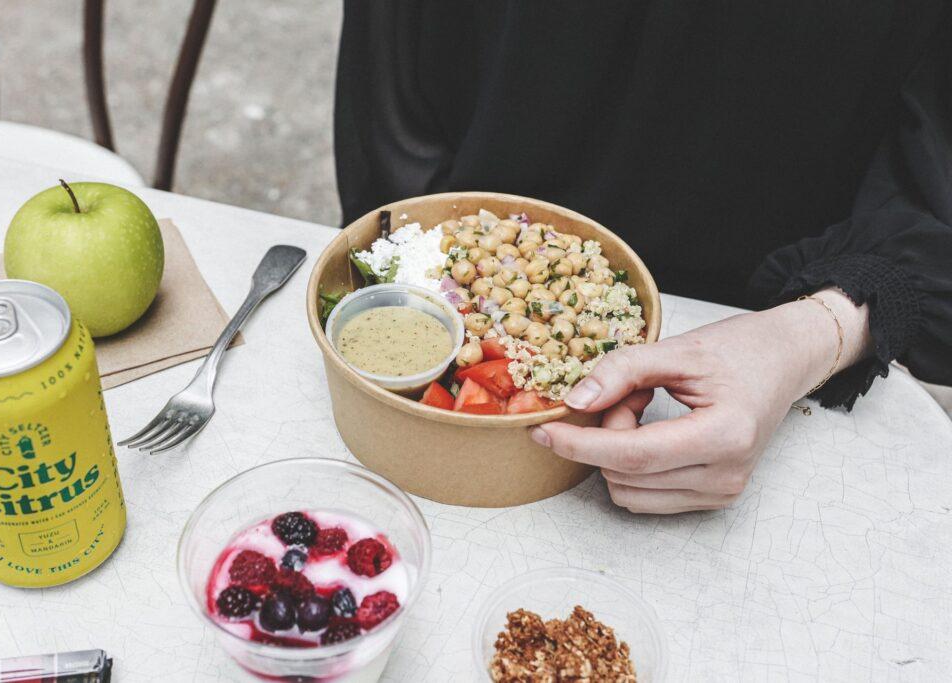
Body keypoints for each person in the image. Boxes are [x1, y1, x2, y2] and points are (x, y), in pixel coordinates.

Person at [333, 1, 952, 513]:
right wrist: (406, 258)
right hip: (472, 302)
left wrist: (818, 330)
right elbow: (394, 73)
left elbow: (935, 179)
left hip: (779, 357)